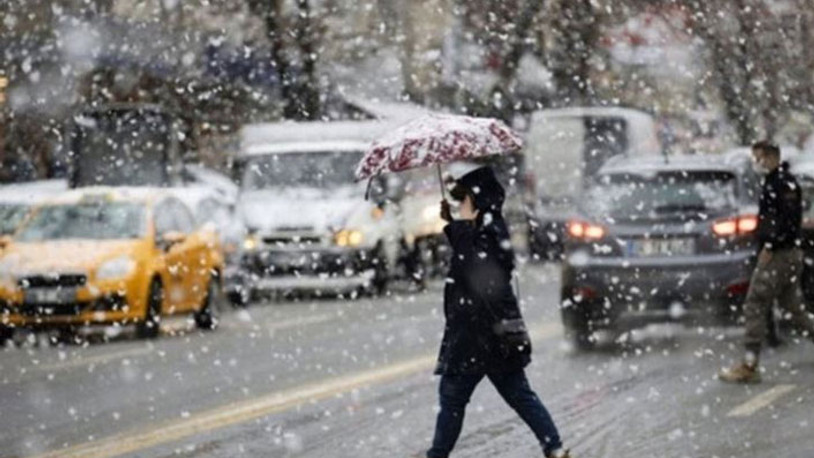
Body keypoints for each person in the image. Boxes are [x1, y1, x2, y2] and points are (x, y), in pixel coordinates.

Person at [426, 166, 570, 458]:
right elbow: (477, 258)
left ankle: (437, 455)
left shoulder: (485, 231)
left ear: (475, 201)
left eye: (463, 199)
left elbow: (473, 267)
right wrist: (453, 223)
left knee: (452, 399)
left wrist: (460, 226)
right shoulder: (491, 227)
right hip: (495, 334)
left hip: (475, 336)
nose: (460, 205)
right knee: (519, 395)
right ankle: (554, 448)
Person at [719, 141, 814, 384]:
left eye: (759, 158)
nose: (756, 163)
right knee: (793, 308)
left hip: (779, 255)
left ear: (771, 157)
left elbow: (786, 219)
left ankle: (749, 365)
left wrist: (770, 245)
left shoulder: (781, 183)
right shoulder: (777, 181)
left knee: (755, 303)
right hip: (788, 253)